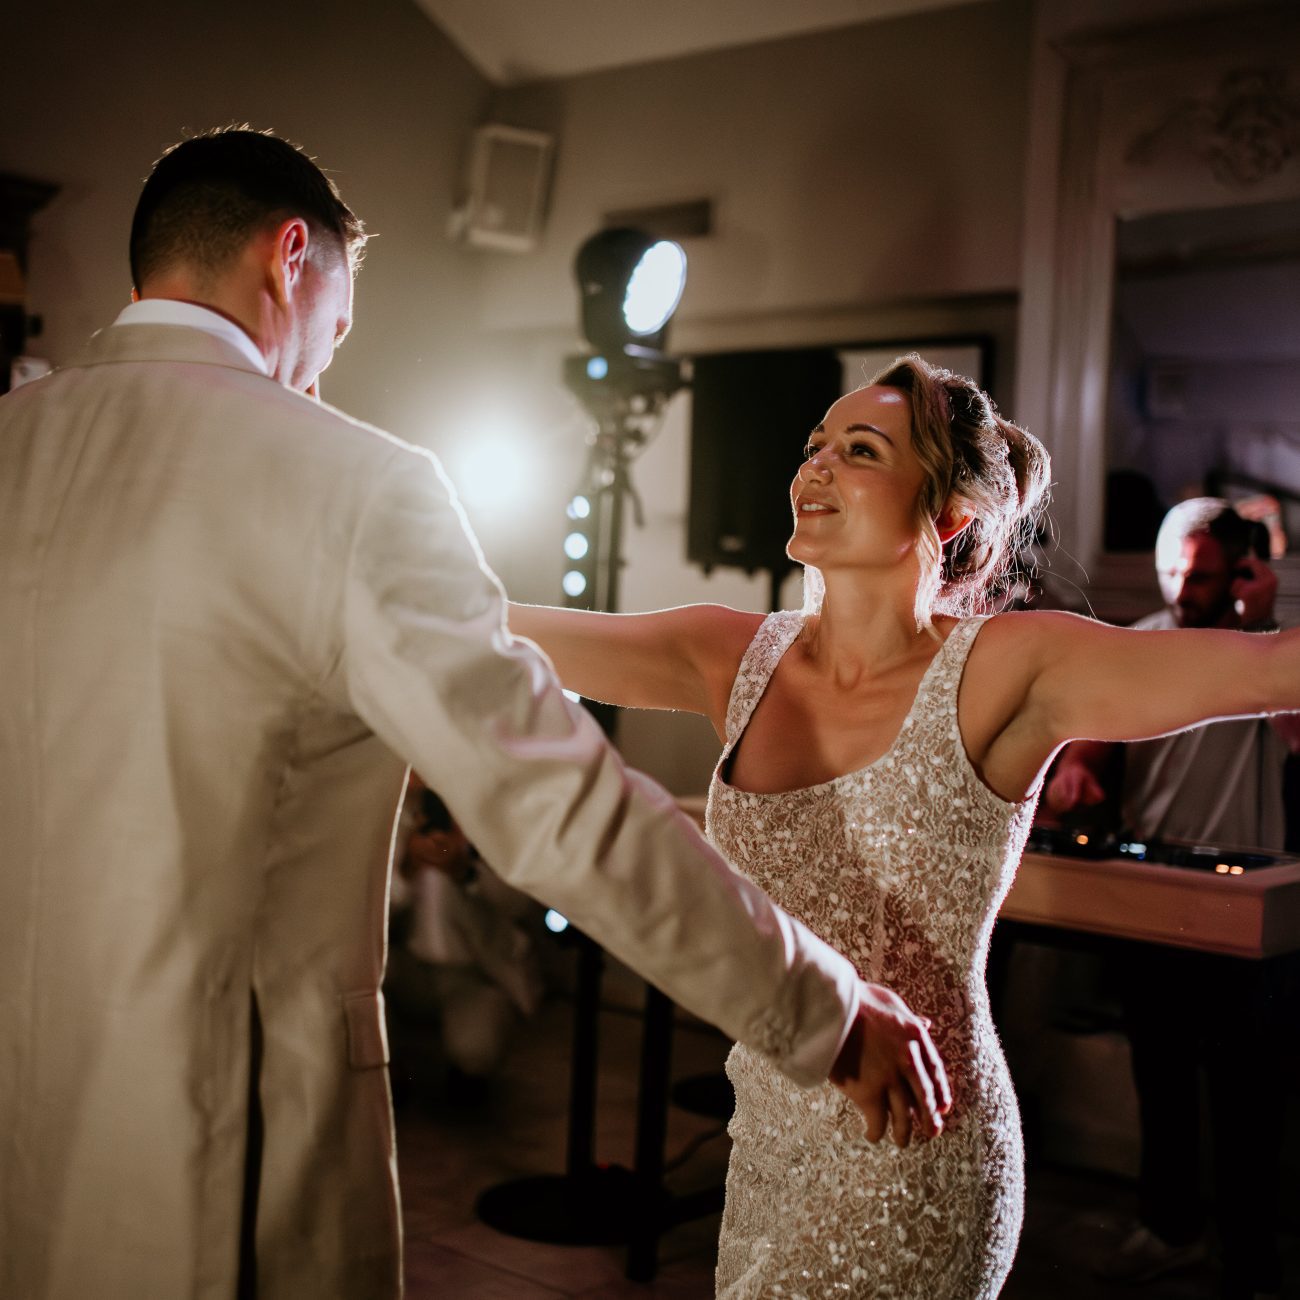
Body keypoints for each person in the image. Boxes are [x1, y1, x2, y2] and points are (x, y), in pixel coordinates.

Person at [0, 129, 949, 1300]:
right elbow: (557, 806)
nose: (320, 370)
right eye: (336, 329)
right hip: (215, 1153)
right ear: (290, 257)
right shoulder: (350, 480)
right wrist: (823, 1007)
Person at [508, 358, 1300, 1297]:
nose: (815, 467)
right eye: (815, 446)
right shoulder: (733, 657)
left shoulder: (1011, 667)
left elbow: (1273, 669)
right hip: (764, 1147)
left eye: (860, 450)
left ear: (950, 513)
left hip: (918, 1153)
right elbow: (492, 632)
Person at [1046, 498, 1297, 1300]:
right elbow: (1089, 739)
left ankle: (1250, 1260)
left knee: (1247, 1093)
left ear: (1244, 573)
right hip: (1153, 895)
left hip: (1245, 908)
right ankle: (1169, 1229)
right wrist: (1075, 771)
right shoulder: (1142, 644)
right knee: (1160, 1075)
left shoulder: (1268, 653)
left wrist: (1262, 628)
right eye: (1177, 574)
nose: (1185, 590)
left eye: (1204, 576)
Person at [385, 774, 543, 1103]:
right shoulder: (389, 814)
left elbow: (521, 905)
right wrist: (406, 868)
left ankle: (465, 1078)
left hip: (474, 974)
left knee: (475, 1051)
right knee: (356, 980)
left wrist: (465, 871)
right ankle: (388, 1071)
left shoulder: (492, 812)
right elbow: (367, 913)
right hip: (405, 967)